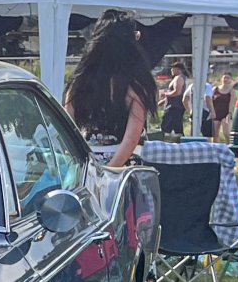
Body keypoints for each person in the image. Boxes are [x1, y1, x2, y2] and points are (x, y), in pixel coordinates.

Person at [64, 9, 157, 168]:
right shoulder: (135, 86)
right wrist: (110, 170)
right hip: (124, 167)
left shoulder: (80, 82)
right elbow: (131, 139)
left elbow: (66, 126)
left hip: (87, 164)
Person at [159, 61, 189, 138]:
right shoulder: (178, 78)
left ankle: (163, 143)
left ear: (179, 69)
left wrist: (165, 94)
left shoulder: (179, 78)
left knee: (165, 128)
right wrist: (163, 101)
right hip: (174, 106)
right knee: (177, 128)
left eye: (174, 68)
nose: (172, 70)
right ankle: (179, 142)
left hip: (174, 107)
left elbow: (177, 92)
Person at [212, 72, 235, 142]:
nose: (226, 79)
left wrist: (229, 113)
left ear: (230, 80)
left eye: (228, 78)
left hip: (226, 114)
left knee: (227, 134)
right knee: (215, 135)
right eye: (224, 77)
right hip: (215, 114)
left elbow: (231, 103)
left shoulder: (231, 91)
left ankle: (229, 148)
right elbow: (209, 100)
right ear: (221, 79)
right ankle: (214, 149)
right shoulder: (215, 89)